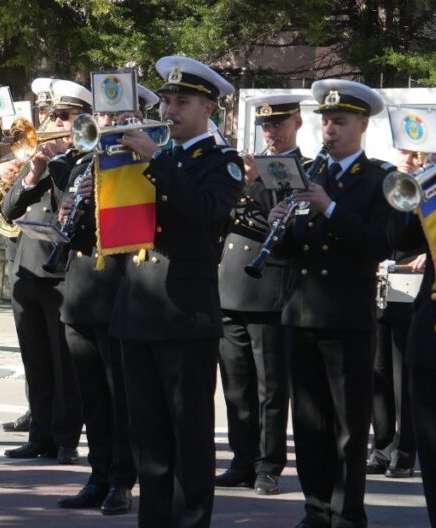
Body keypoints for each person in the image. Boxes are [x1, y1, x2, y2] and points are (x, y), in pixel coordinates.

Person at [114, 55, 243, 528]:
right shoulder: (152, 158)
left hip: (185, 315)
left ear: (208, 108)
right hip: (137, 308)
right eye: (166, 101)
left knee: (189, 437)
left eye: (181, 102)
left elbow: (204, 210)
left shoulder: (223, 163)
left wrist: (157, 159)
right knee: (148, 439)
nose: (169, 111)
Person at [267, 79, 393, 528]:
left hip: (346, 318)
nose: (331, 130)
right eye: (326, 122)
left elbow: (380, 243)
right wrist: (278, 225)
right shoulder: (309, 174)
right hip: (300, 313)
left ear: (363, 125)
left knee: (347, 429)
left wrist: (331, 209)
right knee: (309, 426)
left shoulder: (379, 178)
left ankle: (346, 515)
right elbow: (289, 252)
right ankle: (316, 509)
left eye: (340, 122)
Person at [52, 87, 158, 514]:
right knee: (93, 398)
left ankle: (122, 480)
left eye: (119, 115)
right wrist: (68, 207)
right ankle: (97, 476)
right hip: (79, 292)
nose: (110, 122)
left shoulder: (138, 166)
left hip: (117, 290)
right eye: (105, 115)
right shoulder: (83, 162)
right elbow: (66, 212)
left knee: (120, 398)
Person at [215, 94, 306, 496]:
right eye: (266, 125)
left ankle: (268, 464)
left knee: (270, 386)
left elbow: (284, 226)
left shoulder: (301, 170)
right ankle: (242, 458)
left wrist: (253, 183)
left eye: (279, 124)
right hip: (230, 285)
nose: (271, 133)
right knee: (236, 383)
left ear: (297, 123)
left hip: (269, 287)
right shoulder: (242, 167)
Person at [0, 79, 88, 465]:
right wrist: (33, 172)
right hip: (28, 268)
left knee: (64, 362)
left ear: (81, 121)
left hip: (63, 272)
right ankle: (40, 435)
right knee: (35, 359)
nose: (55, 123)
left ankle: (66, 438)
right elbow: (9, 210)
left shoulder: (84, 162)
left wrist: (59, 163)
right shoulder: (38, 159)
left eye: (64, 116)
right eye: (52, 115)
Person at [386, 191, 436, 526]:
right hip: (430, 329)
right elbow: (399, 238)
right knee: (434, 459)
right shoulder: (432, 189)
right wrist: (411, 192)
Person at [368, 150, 422, 479]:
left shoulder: (428, 190)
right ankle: (382, 448)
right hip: (381, 284)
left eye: (413, 155)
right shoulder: (388, 188)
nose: (406, 160)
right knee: (379, 372)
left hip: (410, 283)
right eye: (403, 153)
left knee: (403, 375)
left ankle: (404, 452)